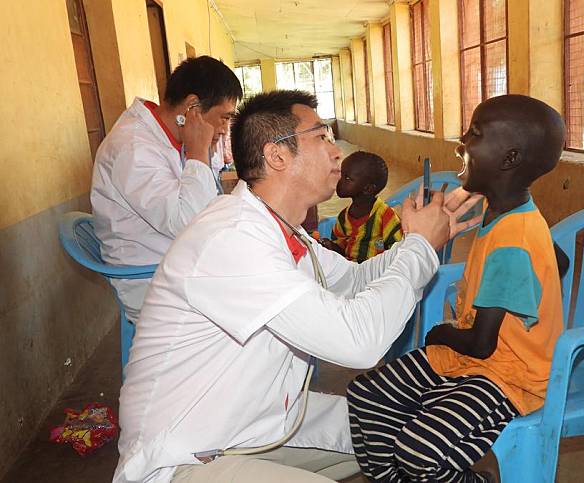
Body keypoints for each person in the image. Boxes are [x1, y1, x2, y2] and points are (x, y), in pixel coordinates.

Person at [113, 90, 482, 483]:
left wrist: (417, 240)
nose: (336, 151)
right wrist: (420, 249)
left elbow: (356, 280)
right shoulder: (231, 239)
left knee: (402, 433)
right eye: (322, 137)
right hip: (186, 454)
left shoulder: (283, 230)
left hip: (258, 422)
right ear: (277, 156)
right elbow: (359, 342)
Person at [347, 94, 566, 482]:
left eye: (475, 133)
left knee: (417, 450)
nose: (461, 142)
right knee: (366, 395)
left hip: (506, 376)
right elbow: (559, 260)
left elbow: (481, 344)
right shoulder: (512, 210)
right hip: (475, 357)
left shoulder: (513, 242)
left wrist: (439, 333)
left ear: (509, 159)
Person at [91, 56, 242, 324]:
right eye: (223, 118)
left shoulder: (164, 137)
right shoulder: (133, 147)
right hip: (150, 279)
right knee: (250, 306)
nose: (224, 129)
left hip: (174, 262)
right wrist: (198, 153)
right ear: (193, 107)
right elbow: (187, 222)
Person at [321, 151, 403, 262]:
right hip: (350, 271)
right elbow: (340, 245)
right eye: (341, 175)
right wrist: (332, 247)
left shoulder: (386, 217)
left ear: (368, 188)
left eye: (347, 178)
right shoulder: (343, 217)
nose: (339, 181)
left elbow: (399, 250)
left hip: (376, 273)